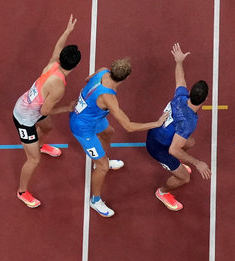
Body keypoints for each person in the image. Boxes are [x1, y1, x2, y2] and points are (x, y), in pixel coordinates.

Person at [69, 58, 166, 217]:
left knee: (108, 133)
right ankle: (95, 200)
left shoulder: (102, 71)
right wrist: (156, 124)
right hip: (83, 128)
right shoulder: (109, 98)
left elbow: (87, 80)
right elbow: (128, 126)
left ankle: (99, 161)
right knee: (103, 167)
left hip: (93, 117)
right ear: (126, 78)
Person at [13, 15, 81, 208]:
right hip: (24, 118)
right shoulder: (59, 86)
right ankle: (22, 191)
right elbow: (46, 109)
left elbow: (57, 49)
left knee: (48, 125)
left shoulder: (53, 65)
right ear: (75, 66)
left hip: (30, 105)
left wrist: (67, 32)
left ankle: (41, 144)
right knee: (33, 160)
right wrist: (67, 108)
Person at [146, 43, 211, 211]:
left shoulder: (181, 97)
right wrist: (198, 163)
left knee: (190, 143)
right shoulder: (189, 122)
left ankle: (176, 166)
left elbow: (180, 79)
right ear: (204, 100)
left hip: (156, 133)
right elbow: (173, 150)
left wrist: (179, 61)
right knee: (184, 178)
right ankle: (163, 192)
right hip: (158, 147)